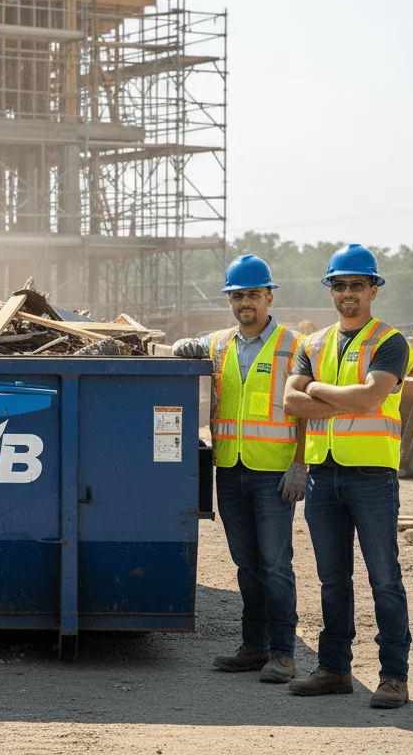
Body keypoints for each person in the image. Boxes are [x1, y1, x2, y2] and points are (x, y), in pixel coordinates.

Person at [282, 243, 413, 709]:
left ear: (373, 289)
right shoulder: (313, 343)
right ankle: (334, 669)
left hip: (372, 477)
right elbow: (289, 404)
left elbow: (369, 400)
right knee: (332, 580)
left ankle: (393, 677)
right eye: (339, 286)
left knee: (384, 578)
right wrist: (338, 394)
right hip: (323, 475)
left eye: (357, 285)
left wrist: (316, 387)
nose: (347, 294)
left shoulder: (390, 342)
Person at [173, 254, 307, 684]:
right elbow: (182, 352)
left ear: (269, 297)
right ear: (230, 300)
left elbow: (306, 412)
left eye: (253, 294)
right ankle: (253, 647)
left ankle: (283, 653)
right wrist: (180, 348)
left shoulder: (294, 346)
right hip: (230, 468)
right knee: (246, 566)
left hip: (274, 473)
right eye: (238, 296)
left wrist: (300, 465)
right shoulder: (218, 345)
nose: (245, 302)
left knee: (275, 566)